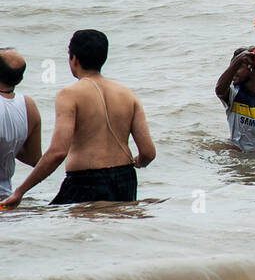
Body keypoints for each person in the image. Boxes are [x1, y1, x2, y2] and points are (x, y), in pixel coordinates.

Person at [1, 30, 156, 208]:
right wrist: (137, 162)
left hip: (86, 181)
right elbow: (148, 153)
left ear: (74, 59)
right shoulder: (128, 94)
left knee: (69, 230)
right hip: (125, 179)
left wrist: (20, 191)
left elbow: (58, 152)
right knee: (114, 228)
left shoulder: (69, 95)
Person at [0, 48, 42, 201]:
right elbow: (34, 159)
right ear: (20, 79)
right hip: (6, 194)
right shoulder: (28, 105)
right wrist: (10, 143)